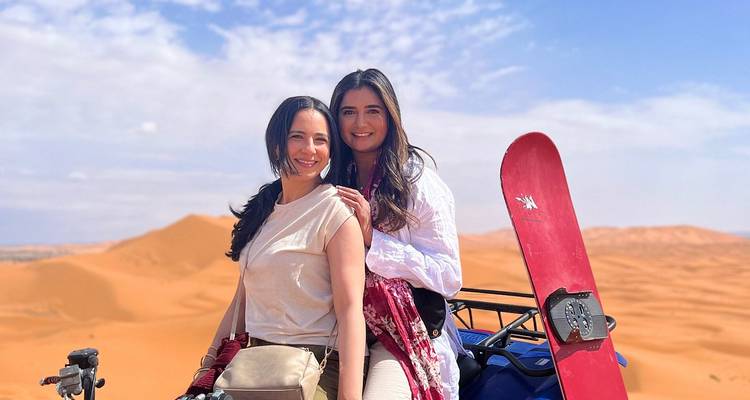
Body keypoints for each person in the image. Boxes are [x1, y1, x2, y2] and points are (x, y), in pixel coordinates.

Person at [195, 96, 366, 400]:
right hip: (252, 367)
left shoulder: (334, 211)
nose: (309, 149)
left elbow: (351, 310)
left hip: (313, 367)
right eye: (297, 137)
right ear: (276, 144)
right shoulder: (263, 212)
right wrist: (207, 370)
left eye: (320, 140)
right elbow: (241, 303)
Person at [331, 69, 464, 400]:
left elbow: (448, 275)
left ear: (390, 116)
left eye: (372, 111)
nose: (360, 123)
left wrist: (372, 238)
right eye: (349, 112)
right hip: (338, 332)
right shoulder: (333, 180)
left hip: (403, 338)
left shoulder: (418, 183)